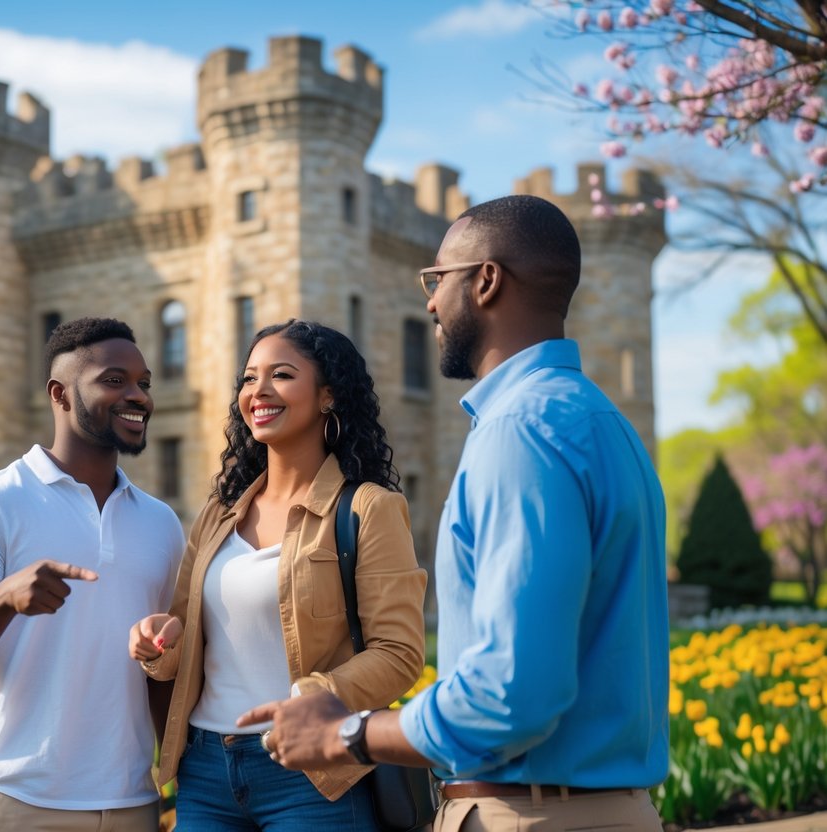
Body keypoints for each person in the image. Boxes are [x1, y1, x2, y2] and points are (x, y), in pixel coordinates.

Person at [238, 195, 669, 832]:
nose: (431, 303)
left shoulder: (518, 432)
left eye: (437, 280)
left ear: (486, 281)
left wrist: (349, 732)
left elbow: (511, 694)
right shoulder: (604, 422)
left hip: (528, 814)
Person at [130, 319, 428, 831]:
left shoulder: (369, 509)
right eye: (249, 378)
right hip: (206, 773)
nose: (259, 391)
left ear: (328, 395)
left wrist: (313, 694)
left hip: (313, 775)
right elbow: (181, 638)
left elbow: (399, 654)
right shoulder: (217, 514)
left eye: (282, 375)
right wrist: (158, 643)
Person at [0, 317, 186, 832]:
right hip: (22, 803)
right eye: (114, 380)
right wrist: (4, 598)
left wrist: (183, 777)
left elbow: (166, 671)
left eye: (144, 382)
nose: (138, 395)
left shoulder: (161, 524)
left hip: (135, 805)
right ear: (59, 394)